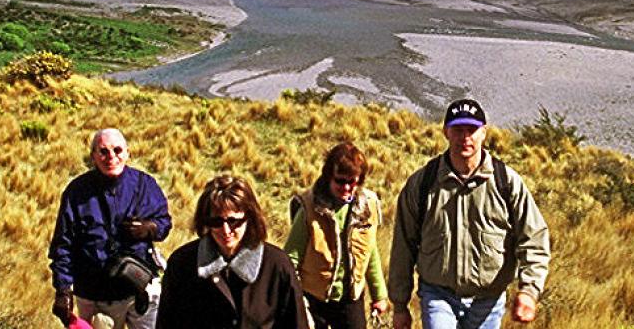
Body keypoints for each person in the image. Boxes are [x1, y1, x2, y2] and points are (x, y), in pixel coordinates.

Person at [389, 99, 551, 329]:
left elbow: (534, 237)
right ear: (446, 132)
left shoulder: (507, 183)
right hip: (438, 294)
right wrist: (399, 304)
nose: (465, 137)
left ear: (483, 133)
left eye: (472, 130)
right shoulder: (422, 184)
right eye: (458, 130)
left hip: (488, 300)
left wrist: (529, 290)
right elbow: (403, 246)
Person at [51, 128, 172, 329]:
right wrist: (63, 290)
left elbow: (164, 224)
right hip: (95, 295)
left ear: (127, 153)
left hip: (140, 289)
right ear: (93, 156)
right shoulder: (76, 192)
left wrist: (149, 228)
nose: (111, 157)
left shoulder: (144, 185)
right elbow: (63, 245)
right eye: (103, 151)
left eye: (117, 150)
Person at [157, 175, 310, 329]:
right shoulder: (182, 264)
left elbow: (296, 324)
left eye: (233, 221)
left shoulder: (277, 265)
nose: (225, 230)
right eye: (216, 222)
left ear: (250, 218)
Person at [283, 142, 390, 329]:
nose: (347, 187)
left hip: (351, 298)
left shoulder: (368, 206)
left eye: (352, 181)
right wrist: (293, 301)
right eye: (340, 181)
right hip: (313, 298)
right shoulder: (308, 208)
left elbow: (369, 252)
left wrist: (379, 294)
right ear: (328, 177)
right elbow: (290, 259)